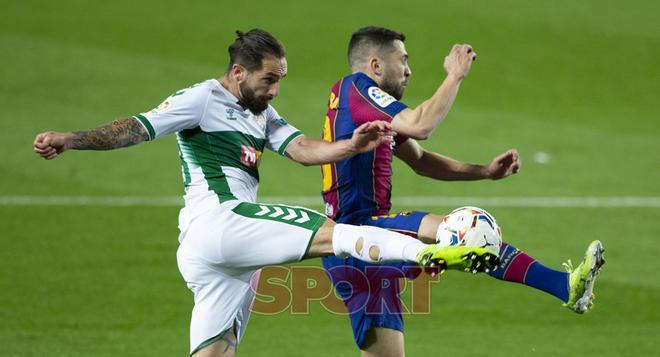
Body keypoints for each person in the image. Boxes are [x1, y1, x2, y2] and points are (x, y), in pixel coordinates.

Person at [33, 29, 499, 357]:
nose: (275, 90)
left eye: (280, 80)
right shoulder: (200, 99)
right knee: (333, 233)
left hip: (225, 255)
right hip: (221, 221)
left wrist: (349, 145)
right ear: (238, 72)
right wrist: (70, 139)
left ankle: (421, 253)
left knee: (215, 352)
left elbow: (300, 149)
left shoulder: (260, 113)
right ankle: (428, 253)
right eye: (268, 80)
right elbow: (135, 128)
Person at [320, 26, 605, 357]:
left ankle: (566, 287)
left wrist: (484, 172)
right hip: (360, 233)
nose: (409, 70)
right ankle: (563, 285)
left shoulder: (363, 108)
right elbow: (421, 125)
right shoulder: (358, 88)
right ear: (376, 65)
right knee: (466, 230)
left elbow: (422, 161)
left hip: (358, 244)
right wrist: (454, 76)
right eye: (403, 60)